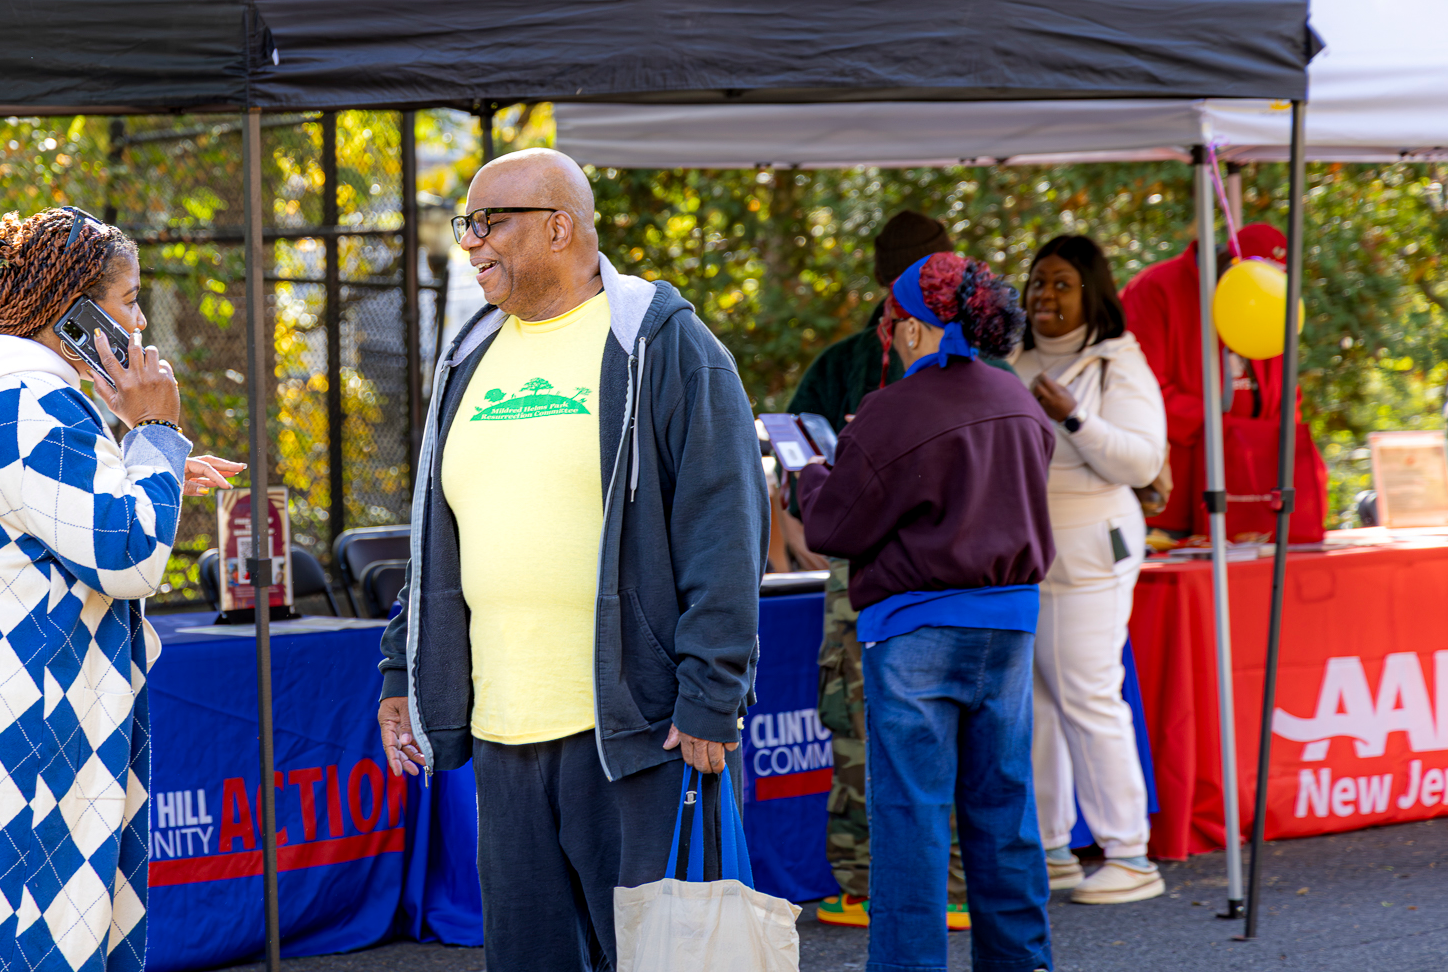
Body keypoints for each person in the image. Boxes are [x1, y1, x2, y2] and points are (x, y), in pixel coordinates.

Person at [376, 149, 767, 972]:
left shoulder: (665, 347)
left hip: (635, 731)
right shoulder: (468, 357)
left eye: (490, 222)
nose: (472, 242)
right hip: (503, 730)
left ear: (559, 227)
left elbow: (725, 530)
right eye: (466, 224)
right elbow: (436, 535)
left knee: (660, 959)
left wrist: (710, 696)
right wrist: (398, 673)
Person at [0, 207, 242, 972]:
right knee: (25, 936)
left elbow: (39, 520)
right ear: (77, 313)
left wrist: (142, 465)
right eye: (130, 301)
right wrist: (157, 431)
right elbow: (128, 555)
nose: (141, 328)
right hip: (12, 723)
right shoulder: (34, 404)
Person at [800, 252, 1056, 972]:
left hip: (914, 632)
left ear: (911, 327)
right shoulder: (1018, 399)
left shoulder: (894, 411)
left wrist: (817, 474)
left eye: (890, 321)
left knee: (911, 825)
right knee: (1004, 820)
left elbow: (834, 530)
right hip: (1008, 627)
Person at [787, 209, 957, 930]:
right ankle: (859, 882)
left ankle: (950, 884)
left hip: (945, 579)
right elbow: (795, 453)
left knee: (935, 728)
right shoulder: (843, 363)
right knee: (850, 723)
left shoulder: (979, 363)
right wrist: (809, 517)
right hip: (856, 577)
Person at [1011, 235, 1168, 904]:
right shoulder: (1011, 359)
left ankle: (1129, 853)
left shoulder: (1117, 363)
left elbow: (1140, 462)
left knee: (1086, 692)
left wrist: (1073, 418)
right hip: (1027, 551)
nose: (1046, 296)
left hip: (1091, 552)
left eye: (1062, 284)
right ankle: (1052, 850)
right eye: (1037, 283)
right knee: (1038, 705)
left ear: (1091, 292)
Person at [1121, 222, 1326, 545]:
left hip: (1252, 503)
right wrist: (1222, 430)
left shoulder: (1272, 303)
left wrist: (1263, 449)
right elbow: (1137, 392)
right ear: (1228, 265)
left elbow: (1287, 399)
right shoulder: (1155, 289)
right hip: (1171, 505)